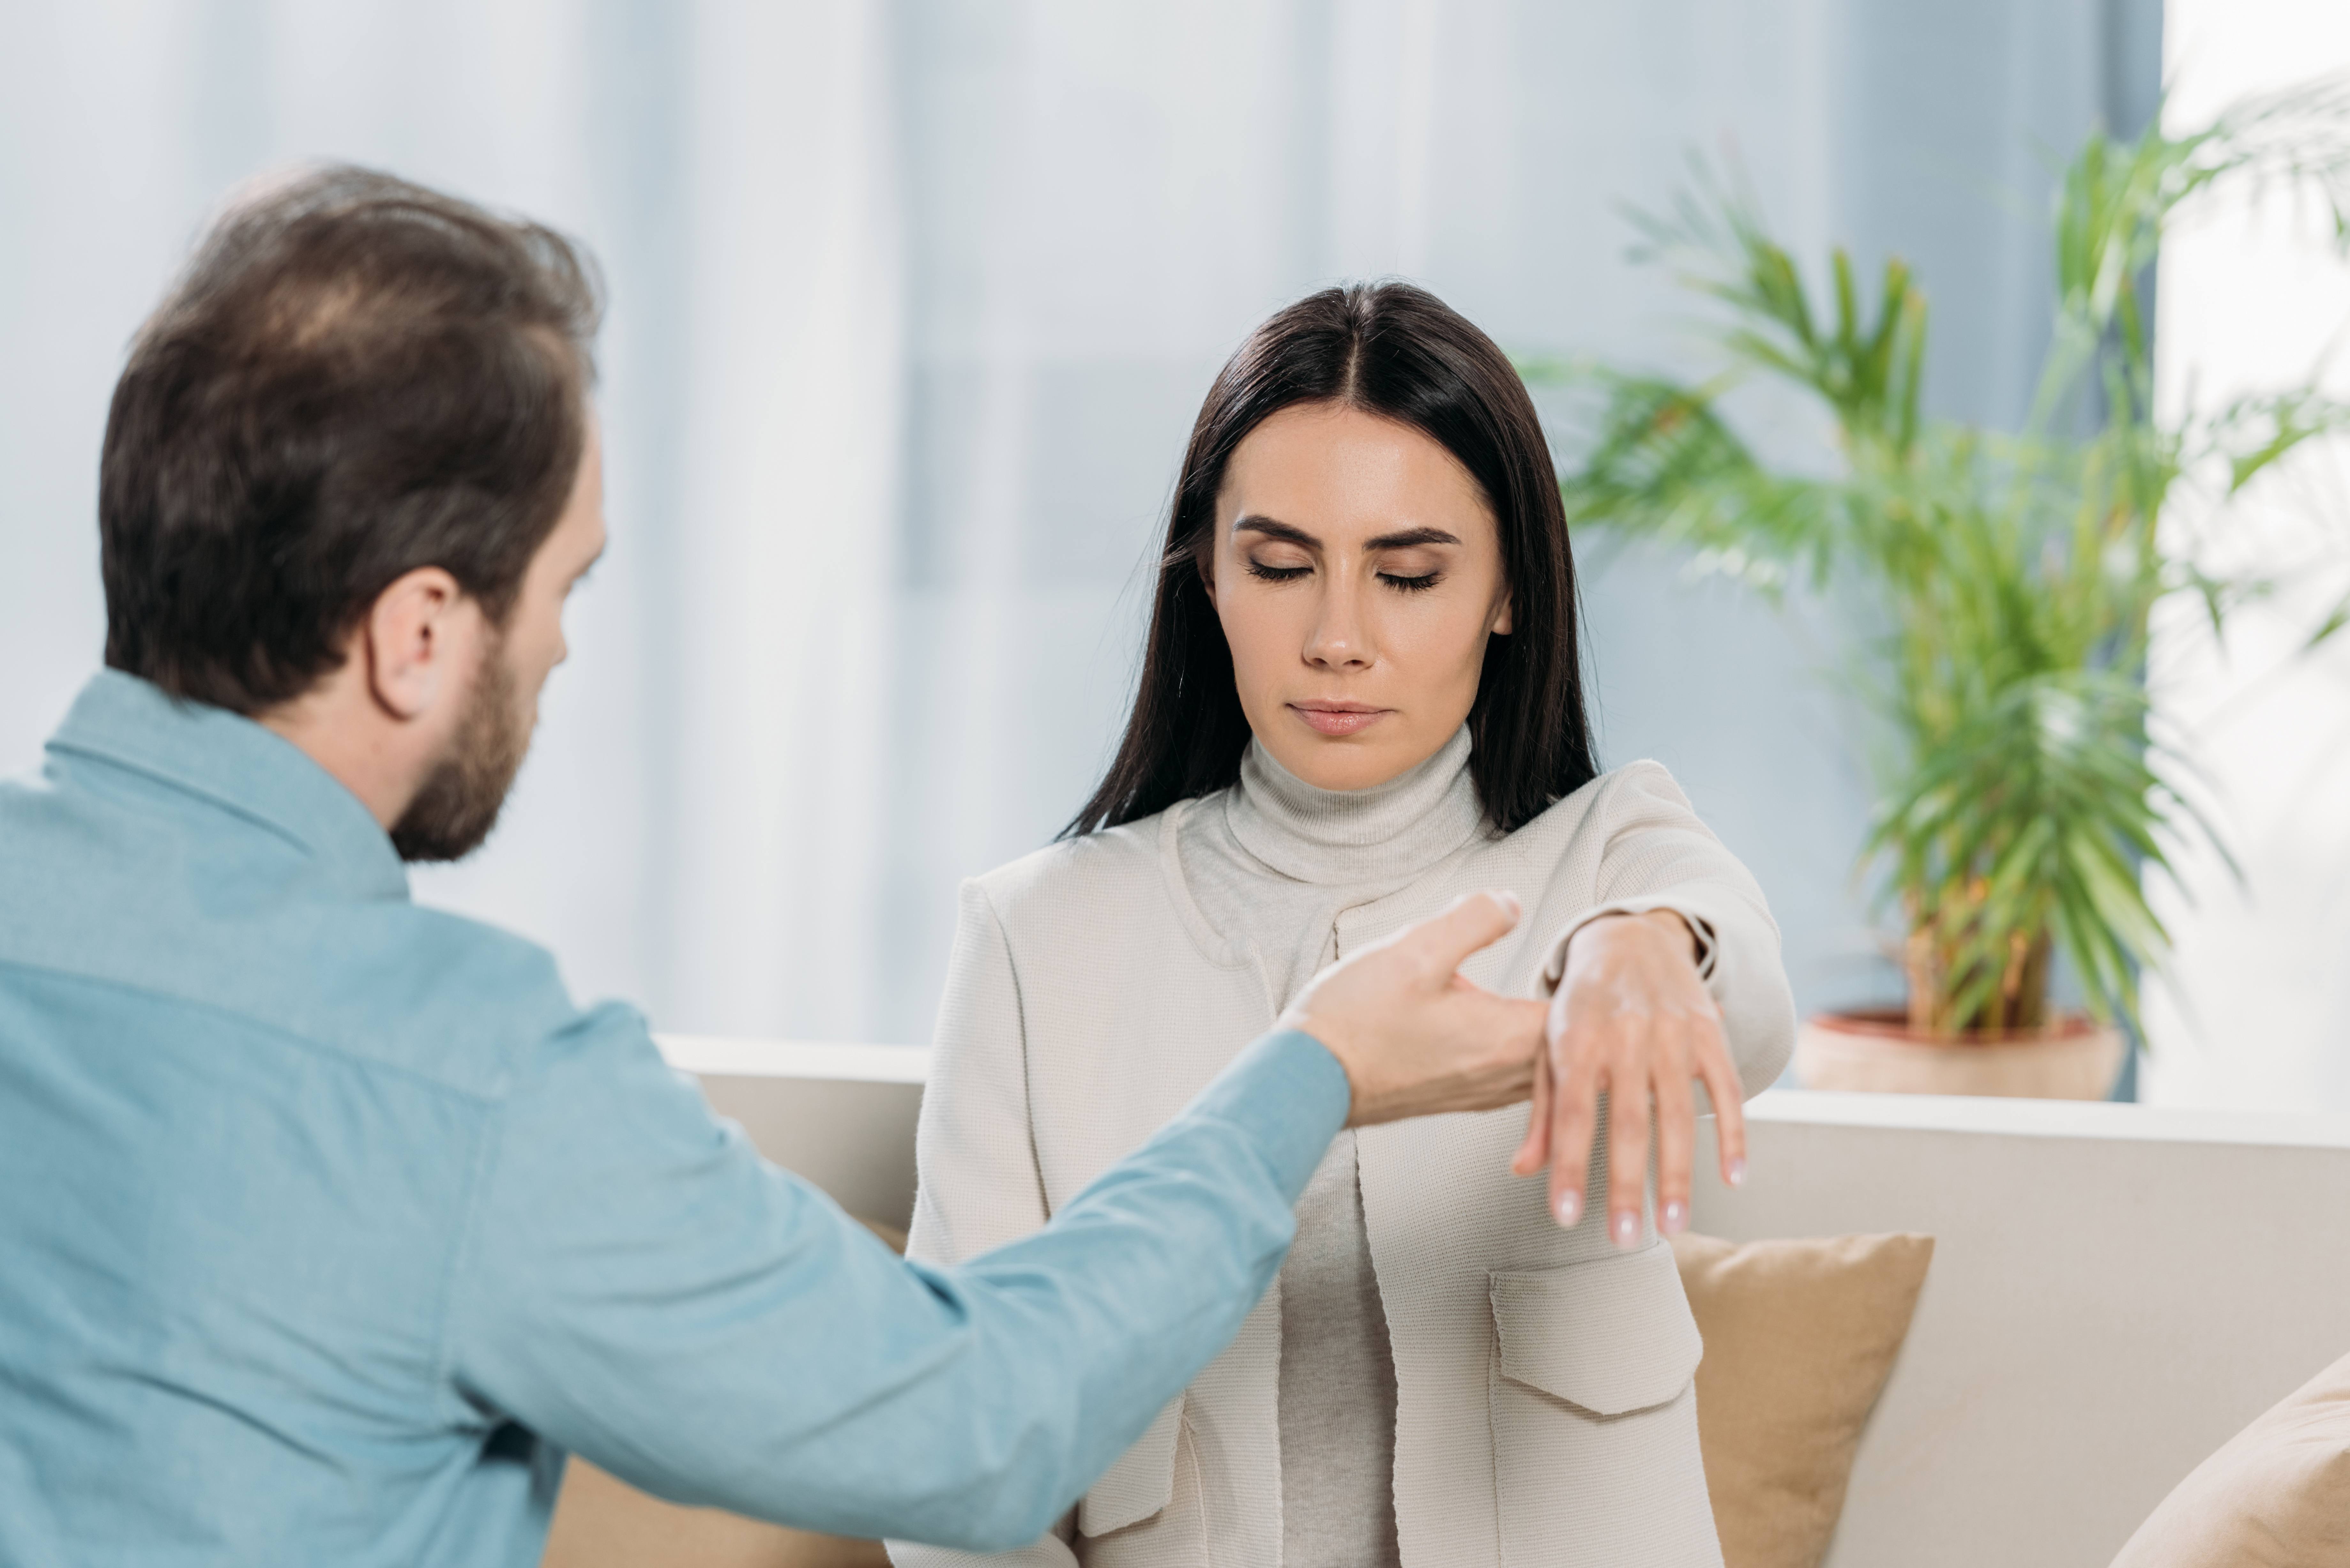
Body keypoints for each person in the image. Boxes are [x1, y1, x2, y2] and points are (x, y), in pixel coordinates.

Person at [0, 170, 1563, 1568]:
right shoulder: (470, 1080)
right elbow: (970, 1423)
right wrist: (1309, 1073)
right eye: (565, 584)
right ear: (418, 635)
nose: (553, 645)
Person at [892, 284, 1798, 1568]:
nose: (1336, 639)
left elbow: (1743, 998)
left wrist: (1640, 946)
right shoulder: (1037, 940)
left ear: (1508, 594)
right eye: (1278, 565)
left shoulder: (1612, 854)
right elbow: (952, 1472)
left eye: (1409, 575)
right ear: (1206, 575)